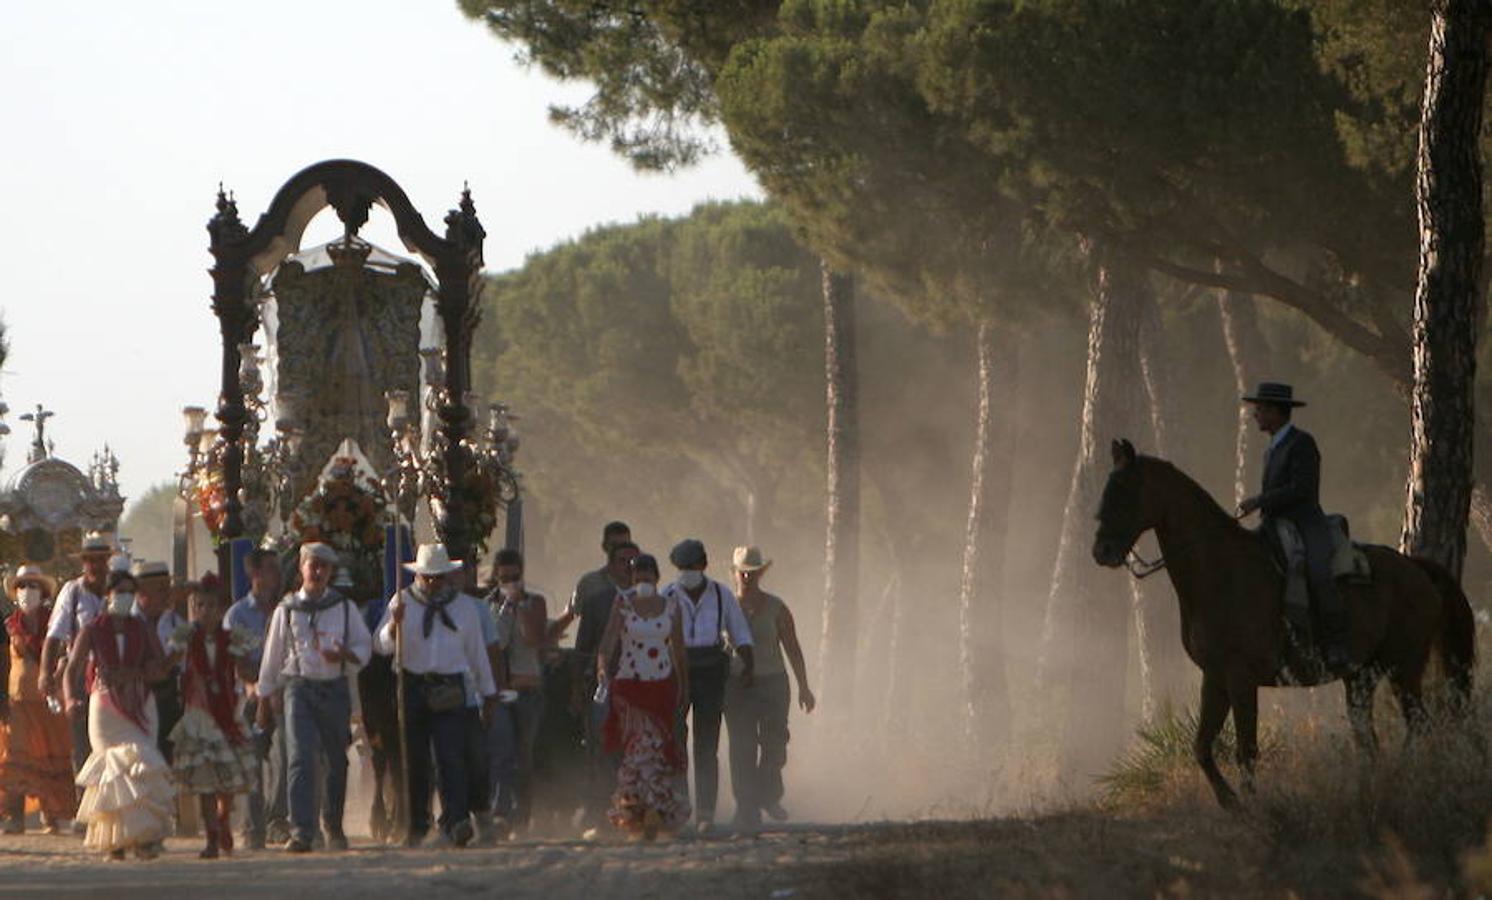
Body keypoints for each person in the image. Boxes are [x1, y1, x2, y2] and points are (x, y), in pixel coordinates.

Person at [375, 543, 497, 848]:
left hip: (450, 684)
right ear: (418, 576)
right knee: (415, 759)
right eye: (427, 577)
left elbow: (477, 653)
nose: (432, 583)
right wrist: (394, 625)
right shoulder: (402, 601)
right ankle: (417, 824)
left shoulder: (464, 608)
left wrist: (488, 691)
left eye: (438, 577)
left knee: (450, 756)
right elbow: (381, 645)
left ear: (447, 576)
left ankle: (456, 821)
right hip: (412, 683)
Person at [256, 542, 371, 853]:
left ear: (331, 572)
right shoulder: (287, 609)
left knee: (336, 759)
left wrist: (346, 655)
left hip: (333, 688)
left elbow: (365, 647)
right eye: (313, 565)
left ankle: (333, 825)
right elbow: (273, 655)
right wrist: (264, 699)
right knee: (300, 757)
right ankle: (302, 830)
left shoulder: (344, 608)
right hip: (299, 689)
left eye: (324, 566)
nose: (318, 571)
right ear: (302, 568)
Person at [1238, 382, 1350, 674]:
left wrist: (1259, 500)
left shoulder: (1302, 444)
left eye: (1260, 409)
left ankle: (1337, 641)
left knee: (1317, 571)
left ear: (1276, 411)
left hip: (1305, 522)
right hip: (1275, 524)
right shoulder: (1272, 448)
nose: (1255, 415)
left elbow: (1302, 489)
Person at [66, 570, 176, 860]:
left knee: (141, 765)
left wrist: (136, 673)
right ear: (108, 595)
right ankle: (115, 840)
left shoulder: (141, 628)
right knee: (112, 773)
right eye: (120, 591)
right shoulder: (92, 629)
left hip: (140, 704)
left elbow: (160, 669)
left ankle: (144, 839)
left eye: (130, 591)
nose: (125, 597)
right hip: (104, 707)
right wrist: (69, 698)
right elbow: (73, 667)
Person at [660, 539, 754, 832]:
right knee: (675, 742)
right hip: (675, 670)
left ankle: (705, 814)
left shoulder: (721, 594)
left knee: (706, 744)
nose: (687, 571)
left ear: (704, 565)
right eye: (682, 567)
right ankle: (679, 806)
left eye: (692, 566)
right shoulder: (668, 595)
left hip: (711, 669)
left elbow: (739, 632)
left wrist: (749, 662)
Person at [598, 553, 689, 840]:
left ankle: (655, 811)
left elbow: (678, 649)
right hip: (629, 687)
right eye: (638, 577)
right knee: (640, 748)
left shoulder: (671, 606)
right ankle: (638, 812)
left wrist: (684, 686)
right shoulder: (623, 604)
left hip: (660, 687)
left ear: (657, 578)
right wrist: (602, 670)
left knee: (659, 749)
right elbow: (609, 641)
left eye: (648, 577)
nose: (643, 582)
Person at [723, 546, 816, 829]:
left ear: (761, 573)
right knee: (742, 747)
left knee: (775, 743)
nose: (747, 577)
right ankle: (746, 808)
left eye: (753, 572)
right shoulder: (724, 606)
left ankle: (768, 794)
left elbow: (792, 648)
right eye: (743, 573)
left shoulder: (776, 607)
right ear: (735, 573)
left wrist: (804, 686)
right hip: (737, 685)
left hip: (773, 682)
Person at [166, 577, 259, 858]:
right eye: (199, 605)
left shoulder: (232, 637)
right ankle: (211, 836)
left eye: (211, 606)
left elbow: (245, 671)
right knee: (205, 780)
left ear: (221, 609)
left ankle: (223, 817)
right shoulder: (185, 636)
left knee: (226, 778)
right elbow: (170, 662)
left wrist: (252, 674)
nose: (205, 611)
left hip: (226, 711)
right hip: (198, 715)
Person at [556, 522, 637, 828]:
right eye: (622, 559)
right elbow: (582, 645)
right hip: (603, 682)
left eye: (633, 560)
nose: (628, 566)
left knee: (633, 748)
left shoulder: (647, 593)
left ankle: (632, 808)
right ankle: (597, 810)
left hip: (640, 682)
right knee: (600, 746)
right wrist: (578, 686)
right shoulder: (593, 591)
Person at [0, 566, 75, 833]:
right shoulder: (9, 625)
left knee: (50, 754)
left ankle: (51, 814)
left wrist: (57, 676)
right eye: (22, 586)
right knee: (16, 756)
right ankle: (14, 815)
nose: (26, 592)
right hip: (17, 700)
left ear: (42, 592)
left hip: (48, 699)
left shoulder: (54, 624)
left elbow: (65, 654)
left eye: (32, 586)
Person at [223, 548, 287, 848]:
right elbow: (238, 661)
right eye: (272, 569)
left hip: (284, 694)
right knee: (251, 761)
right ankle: (253, 827)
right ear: (256, 574)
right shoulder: (237, 614)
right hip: (250, 695)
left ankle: (278, 820)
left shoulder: (286, 610)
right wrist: (260, 690)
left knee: (286, 758)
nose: (277, 575)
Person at [41, 532, 113, 782]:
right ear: (84, 563)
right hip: (81, 674)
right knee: (83, 743)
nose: (96, 566)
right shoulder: (73, 592)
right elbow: (55, 635)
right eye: (91, 560)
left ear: (108, 561)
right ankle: (84, 808)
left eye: (101, 560)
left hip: (115, 675)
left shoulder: (117, 589)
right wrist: (45, 673)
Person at [488, 548, 547, 834]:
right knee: (502, 750)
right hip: (500, 690)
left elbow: (534, 639)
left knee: (523, 754)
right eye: (505, 578)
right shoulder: (488, 605)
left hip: (527, 689)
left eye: (516, 577)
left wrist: (520, 608)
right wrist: (504, 608)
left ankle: (523, 814)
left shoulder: (536, 603)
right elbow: (494, 642)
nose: (511, 582)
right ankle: (500, 811)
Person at [132, 561, 186, 768]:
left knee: (166, 760)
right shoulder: (125, 621)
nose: (167, 594)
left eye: (167, 588)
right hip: (136, 701)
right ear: (142, 592)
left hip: (167, 701)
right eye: (161, 589)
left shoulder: (175, 623)